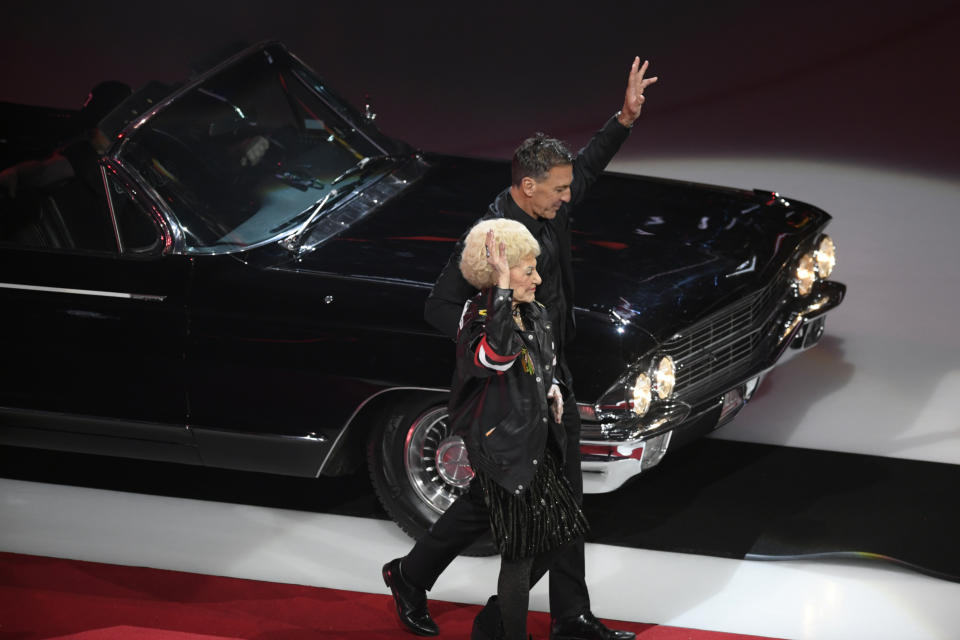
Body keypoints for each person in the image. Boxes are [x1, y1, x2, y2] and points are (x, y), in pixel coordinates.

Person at [383, 57, 657, 640]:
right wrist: (494, 338)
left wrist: (624, 119)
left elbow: (584, 169)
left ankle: (565, 616)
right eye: (559, 190)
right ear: (528, 187)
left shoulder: (548, 203)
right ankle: (476, 604)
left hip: (552, 379)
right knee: (525, 507)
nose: (569, 196)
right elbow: (439, 306)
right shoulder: (491, 239)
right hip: (509, 395)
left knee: (553, 502)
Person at [456, 218, 588, 639]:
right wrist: (500, 292)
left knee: (563, 533)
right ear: (499, 273)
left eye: (535, 268)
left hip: (536, 444)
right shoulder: (478, 314)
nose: (538, 277)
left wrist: (551, 388)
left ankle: (493, 621)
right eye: (527, 269)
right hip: (503, 451)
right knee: (521, 554)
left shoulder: (535, 311)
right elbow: (495, 357)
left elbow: (540, 361)